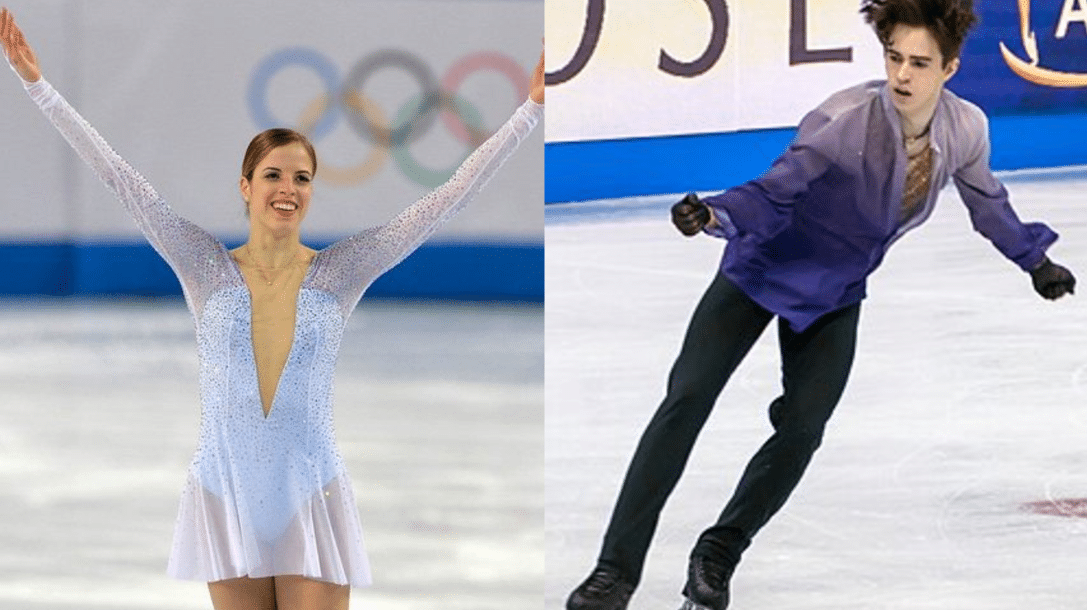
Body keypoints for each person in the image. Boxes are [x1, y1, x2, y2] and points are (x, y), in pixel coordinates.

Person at [0, 7, 543, 610]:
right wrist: (37, 87)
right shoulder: (203, 264)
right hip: (224, 491)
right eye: (274, 175)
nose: (288, 189)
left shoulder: (341, 271)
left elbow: (446, 200)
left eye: (302, 178)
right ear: (246, 185)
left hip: (311, 494)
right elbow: (120, 179)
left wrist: (530, 111)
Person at [565, 1, 1074, 609]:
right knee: (686, 401)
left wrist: (1034, 261)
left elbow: (987, 202)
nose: (902, 75)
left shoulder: (965, 130)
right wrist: (715, 215)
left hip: (834, 291)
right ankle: (614, 572)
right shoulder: (843, 119)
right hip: (760, 268)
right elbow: (774, 190)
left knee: (803, 429)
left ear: (950, 68)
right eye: (894, 58)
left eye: (919, 63)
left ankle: (718, 552)